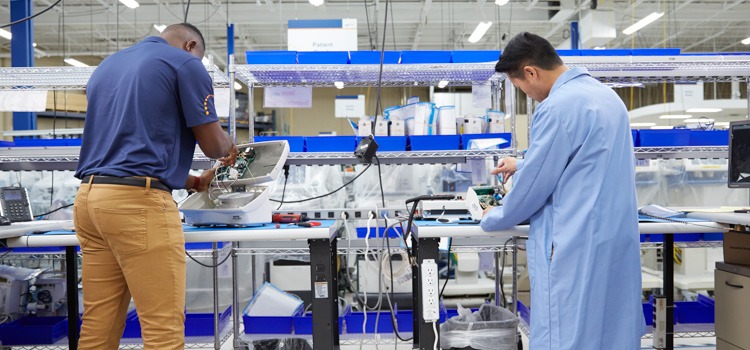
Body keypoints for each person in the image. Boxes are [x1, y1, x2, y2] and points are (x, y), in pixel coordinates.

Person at [73, 23, 237, 350]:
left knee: (99, 324)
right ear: (191, 45)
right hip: (136, 207)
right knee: (163, 327)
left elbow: (129, 143)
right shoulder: (186, 63)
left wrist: (191, 181)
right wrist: (230, 149)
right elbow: (213, 146)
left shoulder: (109, 65)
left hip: (90, 201)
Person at [481, 32, 645, 349]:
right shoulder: (607, 97)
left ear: (530, 72)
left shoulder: (556, 108)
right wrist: (524, 161)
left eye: (521, 89)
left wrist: (494, 215)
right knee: (610, 332)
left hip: (574, 244)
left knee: (566, 334)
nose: (529, 96)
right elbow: (582, 159)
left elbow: (532, 191)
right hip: (614, 240)